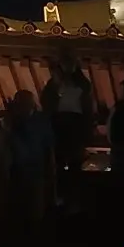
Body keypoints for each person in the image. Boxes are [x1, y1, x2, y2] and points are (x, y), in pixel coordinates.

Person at [0, 89, 57, 225]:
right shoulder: (12, 122)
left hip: (33, 172)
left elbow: (48, 149)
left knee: (33, 214)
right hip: (17, 173)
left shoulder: (40, 121)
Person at [43, 52, 96, 181]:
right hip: (59, 122)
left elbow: (87, 105)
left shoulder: (81, 82)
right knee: (58, 160)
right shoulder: (54, 82)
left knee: (75, 161)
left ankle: (73, 191)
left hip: (75, 123)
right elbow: (46, 101)